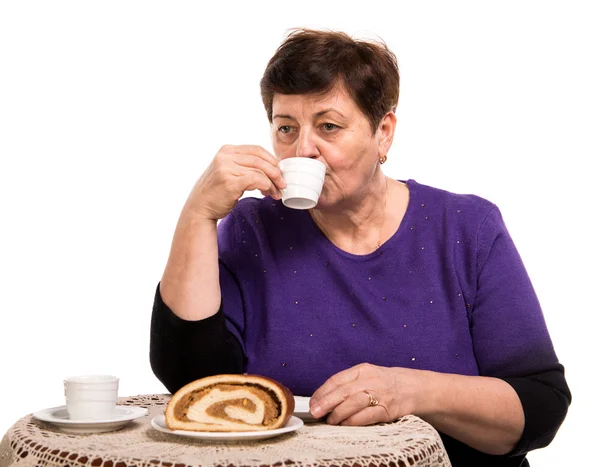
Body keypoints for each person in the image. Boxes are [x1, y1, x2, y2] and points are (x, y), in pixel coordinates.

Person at [150, 28, 570, 466]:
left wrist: (414, 391)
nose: (303, 150)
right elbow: (191, 385)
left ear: (383, 132)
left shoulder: (467, 228)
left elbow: (540, 407)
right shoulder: (252, 228)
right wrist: (198, 214)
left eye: (328, 126)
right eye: (286, 128)